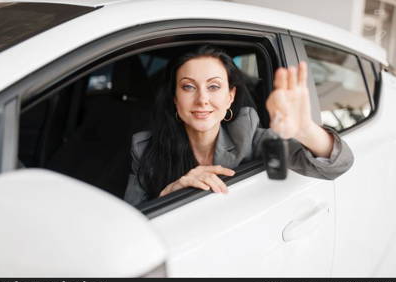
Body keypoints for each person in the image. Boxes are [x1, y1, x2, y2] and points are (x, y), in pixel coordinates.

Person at [123, 45, 354, 206]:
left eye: (213, 87)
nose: (202, 99)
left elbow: (336, 166)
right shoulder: (144, 149)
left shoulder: (250, 136)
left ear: (230, 96)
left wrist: (305, 130)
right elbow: (130, 221)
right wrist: (168, 193)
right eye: (188, 87)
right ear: (175, 98)